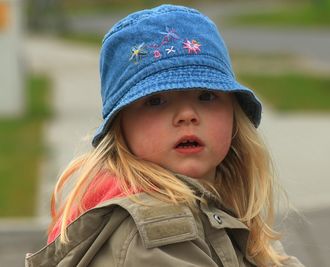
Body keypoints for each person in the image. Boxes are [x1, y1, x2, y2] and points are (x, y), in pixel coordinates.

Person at [25, 4, 304, 267]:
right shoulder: (156, 233)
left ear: (234, 114)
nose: (187, 114)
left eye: (206, 95)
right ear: (120, 128)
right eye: (156, 100)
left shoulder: (210, 205)